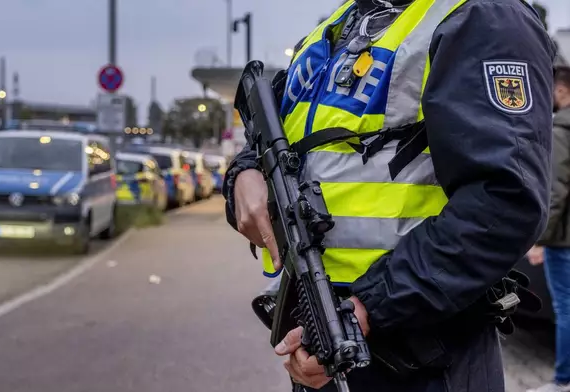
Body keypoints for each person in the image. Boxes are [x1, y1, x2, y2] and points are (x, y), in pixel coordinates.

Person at [223, 0, 555, 391]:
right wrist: (243, 172)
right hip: (326, 330)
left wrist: (367, 308)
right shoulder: (342, 22)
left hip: (417, 352)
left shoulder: (483, 17)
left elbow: (504, 203)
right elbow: (278, 135)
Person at [527, 66, 570, 392]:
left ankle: (561, 380)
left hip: (563, 240)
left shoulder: (560, 129)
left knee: (565, 310)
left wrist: (540, 239)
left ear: (561, 91)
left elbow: (555, 191)